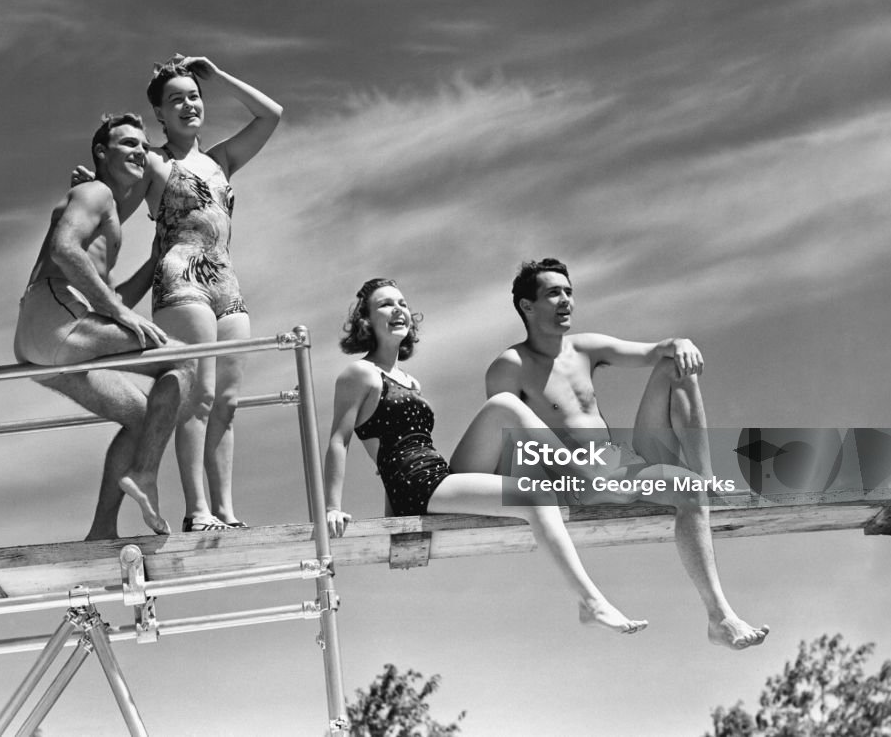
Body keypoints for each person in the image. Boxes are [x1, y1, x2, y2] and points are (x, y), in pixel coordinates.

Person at [323, 278, 649, 635]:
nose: (398, 309)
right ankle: (591, 601)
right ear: (366, 321)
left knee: (504, 405)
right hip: (414, 486)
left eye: (402, 303)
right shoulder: (359, 374)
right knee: (533, 494)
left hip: (436, 474)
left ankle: (588, 476)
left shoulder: (408, 380)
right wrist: (332, 508)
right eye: (385, 304)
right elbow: (340, 440)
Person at [484, 258, 769, 650]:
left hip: (620, 462)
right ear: (527, 306)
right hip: (576, 479)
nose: (566, 300)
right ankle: (720, 617)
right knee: (683, 489)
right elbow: (507, 443)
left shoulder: (584, 347)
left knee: (675, 366)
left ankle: (706, 478)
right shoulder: (510, 366)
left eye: (569, 292)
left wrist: (679, 342)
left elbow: (654, 351)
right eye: (554, 293)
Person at [74, 54, 283, 532]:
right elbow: (113, 208)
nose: (188, 104)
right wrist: (91, 191)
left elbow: (271, 115)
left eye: (194, 96)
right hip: (181, 278)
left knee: (227, 402)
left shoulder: (221, 160)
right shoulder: (154, 161)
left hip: (226, 283)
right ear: (160, 116)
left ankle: (226, 509)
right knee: (198, 396)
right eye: (176, 100)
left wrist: (219, 76)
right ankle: (199, 509)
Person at [15, 113, 194, 539]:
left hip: (49, 336)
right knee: (185, 360)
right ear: (101, 153)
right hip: (55, 313)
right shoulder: (94, 192)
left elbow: (110, 298)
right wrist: (118, 315)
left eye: (144, 145)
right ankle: (146, 474)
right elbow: (63, 251)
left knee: (140, 415)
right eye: (129, 143)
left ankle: (101, 532)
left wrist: (155, 262)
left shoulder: (107, 213)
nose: (140, 151)